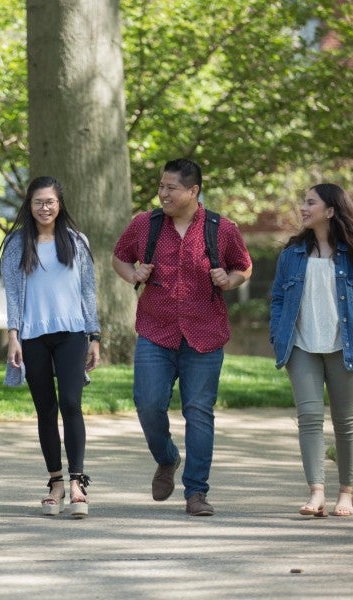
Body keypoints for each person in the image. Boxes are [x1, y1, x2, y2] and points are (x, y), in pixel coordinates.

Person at [112, 158, 252, 516]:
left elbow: (243, 265)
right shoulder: (145, 224)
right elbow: (120, 257)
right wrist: (133, 275)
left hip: (204, 334)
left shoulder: (221, 228)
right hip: (155, 330)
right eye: (161, 186)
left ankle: (197, 492)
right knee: (148, 404)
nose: (163, 193)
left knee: (199, 412)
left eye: (171, 188)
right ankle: (167, 457)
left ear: (193, 191)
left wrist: (230, 280)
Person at [270, 183, 353, 518]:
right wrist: (278, 334)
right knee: (308, 418)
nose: (303, 208)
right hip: (300, 346)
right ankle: (316, 492)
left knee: (345, 421)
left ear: (331, 210)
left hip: (344, 346)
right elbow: (278, 299)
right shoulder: (291, 255)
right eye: (304, 202)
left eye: (311, 203)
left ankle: (346, 492)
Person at [0, 176, 101, 518]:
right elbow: (13, 294)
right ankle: (55, 483)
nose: (45, 208)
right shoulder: (16, 244)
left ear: (60, 204)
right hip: (32, 335)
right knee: (46, 409)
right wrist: (13, 336)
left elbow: (88, 290)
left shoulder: (76, 241)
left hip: (72, 333)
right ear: (29, 205)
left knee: (71, 403)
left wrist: (95, 335)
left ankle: (77, 483)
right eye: (38, 202)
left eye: (50, 202)